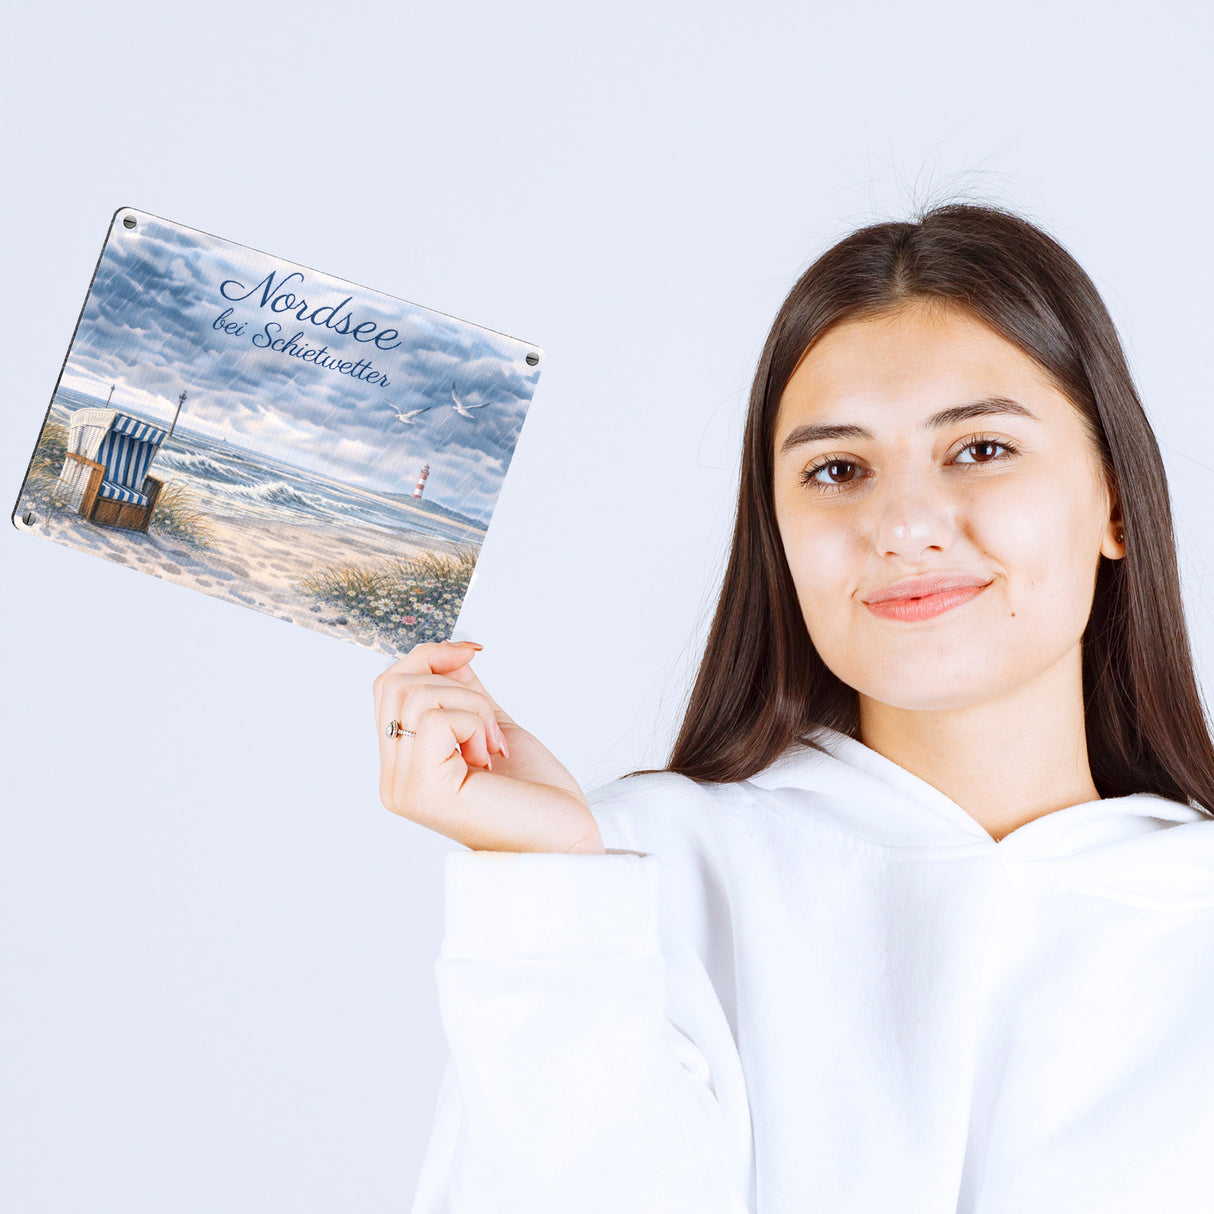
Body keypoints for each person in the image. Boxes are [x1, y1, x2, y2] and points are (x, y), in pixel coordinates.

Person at [372, 202, 1214, 1213]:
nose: (901, 523)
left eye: (980, 448)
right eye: (836, 469)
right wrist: (549, 891)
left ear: (1113, 499)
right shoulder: (629, 875)